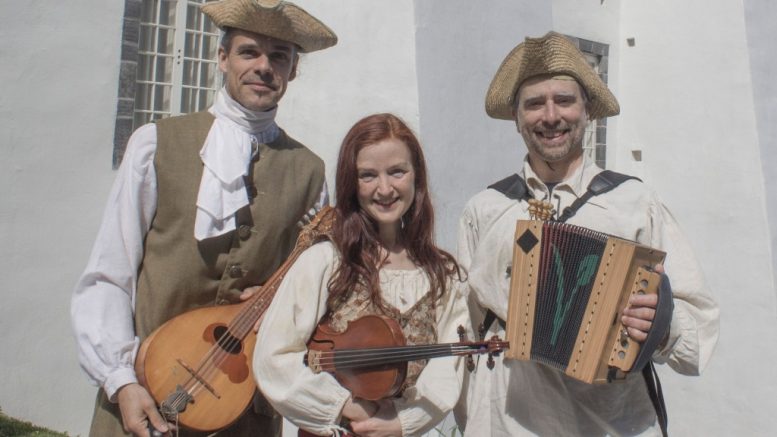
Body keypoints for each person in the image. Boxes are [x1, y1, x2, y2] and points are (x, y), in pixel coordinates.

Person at [70, 1, 337, 436]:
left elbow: (309, 288)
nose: (264, 67)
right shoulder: (155, 144)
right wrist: (120, 381)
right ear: (222, 58)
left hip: (243, 409)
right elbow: (108, 275)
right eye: (249, 52)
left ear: (293, 72)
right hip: (146, 395)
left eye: (279, 57)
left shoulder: (309, 171)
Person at [457, 32, 719, 436]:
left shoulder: (634, 202)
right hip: (505, 424)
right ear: (516, 117)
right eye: (534, 104)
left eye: (564, 100)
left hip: (611, 423)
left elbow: (697, 336)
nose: (550, 116)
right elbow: (463, 333)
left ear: (587, 110)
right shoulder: (485, 209)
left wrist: (661, 323)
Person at [254, 113, 469, 437]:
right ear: (351, 184)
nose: (384, 188)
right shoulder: (326, 261)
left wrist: (401, 422)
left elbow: (447, 366)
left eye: (397, 171)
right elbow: (274, 357)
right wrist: (345, 406)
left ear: (416, 176)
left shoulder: (440, 275)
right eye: (368, 175)